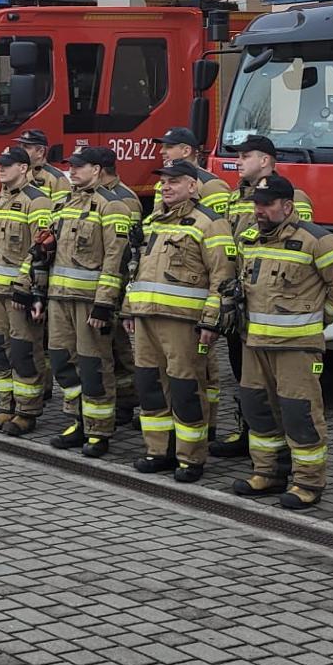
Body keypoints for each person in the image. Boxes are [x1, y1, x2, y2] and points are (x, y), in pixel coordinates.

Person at [230, 175, 333, 509]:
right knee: (258, 410)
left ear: (287, 206)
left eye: (267, 204)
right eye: (256, 204)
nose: (259, 210)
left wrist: (317, 319)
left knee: (299, 413)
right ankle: (268, 472)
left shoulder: (318, 241)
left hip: (296, 347)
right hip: (254, 344)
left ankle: (308, 482)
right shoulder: (249, 238)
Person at [122, 160, 236, 482]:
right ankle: (158, 452)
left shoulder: (210, 224)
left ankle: (190, 458)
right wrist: (129, 308)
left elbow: (223, 278)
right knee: (150, 387)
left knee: (186, 390)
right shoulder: (153, 221)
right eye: (163, 182)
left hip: (184, 324)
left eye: (174, 181)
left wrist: (212, 323)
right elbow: (137, 270)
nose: (166, 186)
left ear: (193, 186)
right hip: (146, 320)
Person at [213, 134, 314, 459]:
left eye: (245, 156)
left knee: (279, 384)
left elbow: (298, 249)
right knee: (245, 375)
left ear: (266, 161)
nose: (238, 161)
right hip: (243, 301)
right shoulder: (235, 197)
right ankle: (250, 433)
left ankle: (283, 445)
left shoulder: (293, 197)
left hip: (275, 305)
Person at [42, 146, 139, 456]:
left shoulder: (113, 207)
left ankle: (98, 431)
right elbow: (49, 251)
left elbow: (116, 260)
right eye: (71, 166)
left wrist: (104, 304)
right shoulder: (65, 203)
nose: (73, 171)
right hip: (59, 299)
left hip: (89, 302)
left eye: (80, 167)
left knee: (94, 365)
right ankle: (77, 419)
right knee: (61, 359)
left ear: (97, 170)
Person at [0, 146, 53, 436]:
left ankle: (27, 411)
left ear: (23, 168)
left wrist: (28, 288)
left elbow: (40, 250)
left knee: (24, 351)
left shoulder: (38, 203)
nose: (0, 169)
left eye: (7, 165)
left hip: (18, 292)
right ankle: (6, 406)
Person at [154, 127, 232, 214]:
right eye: (162, 147)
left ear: (186, 151)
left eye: (168, 147)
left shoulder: (212, 185)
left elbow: (218, 224)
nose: (161, 151)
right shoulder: (162, 183)